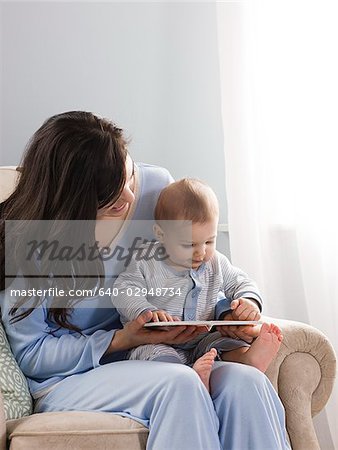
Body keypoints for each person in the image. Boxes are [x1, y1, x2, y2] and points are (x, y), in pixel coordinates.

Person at [0, 111, 291, 450]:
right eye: (111, 199)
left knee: (245, 382)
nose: (129, 197)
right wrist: (122, 339)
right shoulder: (26, 242)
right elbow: (34, 354)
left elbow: (194, 267)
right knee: (179, 384)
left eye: (130, 176)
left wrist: (228, 315)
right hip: (72, 377)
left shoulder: (155, 188)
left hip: (161, 350)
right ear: (74, 207)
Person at [114, 178, 283, 391]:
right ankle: (189, 381)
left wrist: (248, 302)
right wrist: (146, 311)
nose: (201, 252)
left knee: (226, 344)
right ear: (161, 235)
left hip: (204, 340)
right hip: (158, 341)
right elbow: (123, 289)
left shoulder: (216, 262)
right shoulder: (146, 261)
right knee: (154, 357)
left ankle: (247, 360)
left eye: (209, 242)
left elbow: (241, 282)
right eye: (189, 244)